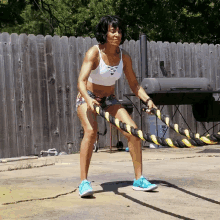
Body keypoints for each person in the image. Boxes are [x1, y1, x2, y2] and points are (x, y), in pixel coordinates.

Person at [76, 15, 158, 198]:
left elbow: (135, 85)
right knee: (90, 132)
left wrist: (147, 100)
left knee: (134, 132)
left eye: (120, 31)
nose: (117, 34)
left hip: (108, 98)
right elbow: (81, 82)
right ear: (105, 33)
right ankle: (83, 182)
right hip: (87, 96)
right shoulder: (94, 53)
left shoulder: (124, 57)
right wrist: (88, 100)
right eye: (113, 31)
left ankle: (139, 179)